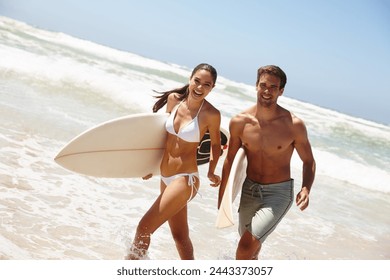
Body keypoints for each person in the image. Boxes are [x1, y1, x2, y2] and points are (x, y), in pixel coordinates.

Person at [218, 65, 316, 260]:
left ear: (281, 91)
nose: (267, 90)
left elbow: (308, 161)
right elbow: (230, 161)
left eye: (273, 87)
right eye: (263, 85)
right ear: (256, 86)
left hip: (278, 194)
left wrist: (306, 188)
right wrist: (222, 198)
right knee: (250, 247)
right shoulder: (239, 122)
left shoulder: (293, 125)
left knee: (244, 247)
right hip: (249, 189)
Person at [127, 63, 222, 260]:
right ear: (190, 79)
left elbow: (215, 145)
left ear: (212, 88)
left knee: (144, 227)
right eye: (197, 81)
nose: (200, 87)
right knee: (180, 236)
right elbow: (161, 138)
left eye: (207, 84)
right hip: (165, 176)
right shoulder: (174, 100)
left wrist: (212, 171)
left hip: (185, 179)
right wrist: (150, 166)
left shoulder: (211, 114)